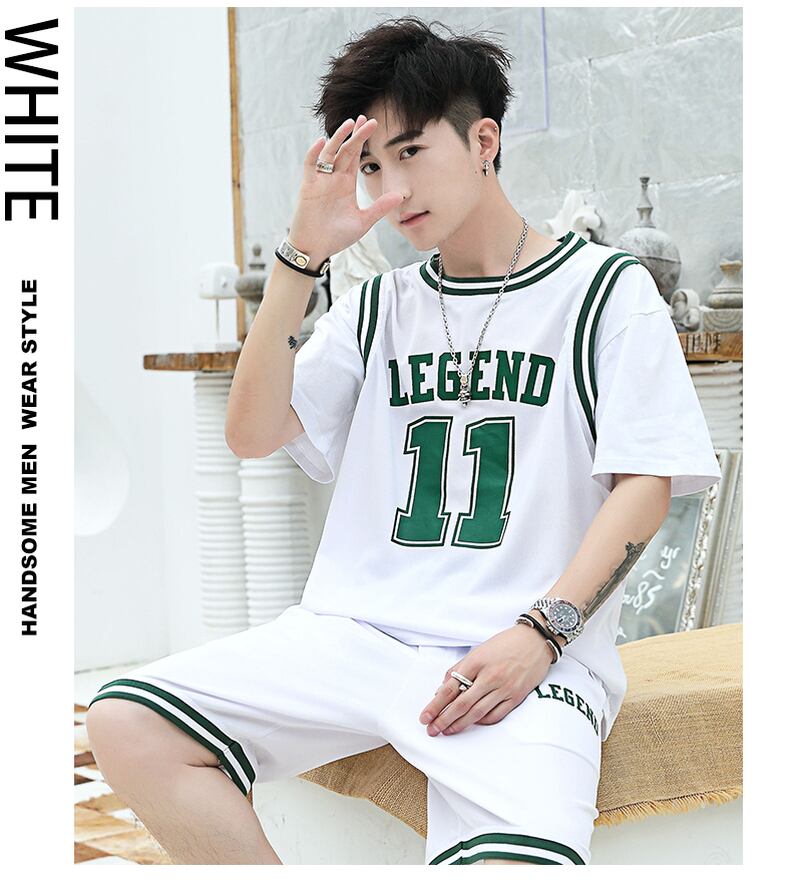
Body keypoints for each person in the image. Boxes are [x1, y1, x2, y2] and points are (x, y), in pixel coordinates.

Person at [86, 16, 721, 865]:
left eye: (412, 152)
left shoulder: (605, 290)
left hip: (519, 649)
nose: (392, 188)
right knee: (127, 721)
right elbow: (251, 433)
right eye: (372, 166)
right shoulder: (380, 306)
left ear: (484, 140)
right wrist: (302, 254)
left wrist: (543, 635)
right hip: (356, 637)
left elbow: (644, 484)